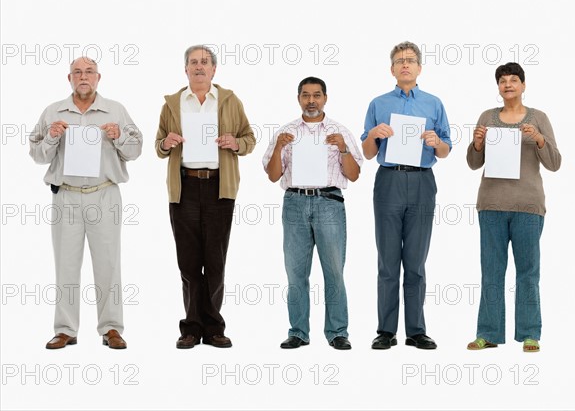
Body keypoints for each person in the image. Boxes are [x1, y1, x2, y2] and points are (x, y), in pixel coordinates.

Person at [29, 57, 143, 350]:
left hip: (104, 195)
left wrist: (118, 137)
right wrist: (52, 138)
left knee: (108, 264)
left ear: (98, 77)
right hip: (66, 195)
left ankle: (111, 328)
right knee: (66, 265)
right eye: (77, 72)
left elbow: (136, 149)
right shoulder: (52, 111)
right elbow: (37, 154)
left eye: (89, 72)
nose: (83, 76)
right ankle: (66, 329)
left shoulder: (116, 110)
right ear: (69, 78)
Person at [155, 45, 255, 349]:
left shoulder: (229, 101)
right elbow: (158, 145)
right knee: (188, 263)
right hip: (184, 188)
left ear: (214, 70)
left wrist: (235, 143)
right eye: (194, 62)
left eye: (205, 62)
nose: (199, 67)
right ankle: (191, 327)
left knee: (214, 262)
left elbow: (249, 138)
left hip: (218, 188)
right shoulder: (173, 103)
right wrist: (167, 142)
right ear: (185, 69)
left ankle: (213, 328)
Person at [361, 41, 451, 350]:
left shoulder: (433, 103)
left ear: (419, 67)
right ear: (392, 69)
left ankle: (416, 330)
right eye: (399, 61)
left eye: (410, 60)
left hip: (423, 181)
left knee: (415, 262)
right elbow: (368, 152)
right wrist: (374, 135)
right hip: (389, 180)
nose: (405, 65)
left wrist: (436, 141)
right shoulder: (378, 103)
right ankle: (386, 331)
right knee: (388, 261)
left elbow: (446, 150)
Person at [466, 62, 561, 352]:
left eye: (514, 80)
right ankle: (489, 333)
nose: (508, 85)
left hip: (528, 207)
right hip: (492, 205)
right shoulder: (487, 117)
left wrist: (539, 138)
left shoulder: (539, 118)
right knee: (491, 271)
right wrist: (478, 143)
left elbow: (555, 163)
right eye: (503, 81)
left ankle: (530, 333)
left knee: (528, 273)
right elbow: (472, 163)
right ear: (498, 87)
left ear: (523, 85)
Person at [263, 77, 362, 350]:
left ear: (325, 98)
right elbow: (273, 176)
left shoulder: (339, 131)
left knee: (334, 272)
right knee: (295, 273)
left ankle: (338, 332)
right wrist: (280, 148)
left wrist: (342, 148)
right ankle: (298, 332)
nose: (311, 101)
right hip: (295, 203)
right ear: (298, 99)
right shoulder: (286, 132)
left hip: (329, 202)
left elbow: (353, 175)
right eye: (305, 95)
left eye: (316, 95)